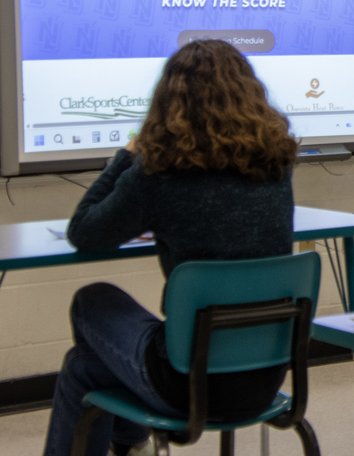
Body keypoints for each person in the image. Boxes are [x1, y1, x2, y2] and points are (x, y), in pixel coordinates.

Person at [42, 40, 299, 456]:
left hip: (187, 383)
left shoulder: (157, 171)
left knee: (92, 300)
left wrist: (126, 155)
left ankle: (130, 443)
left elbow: (84, 231)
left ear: (169, 100)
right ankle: (128, 445)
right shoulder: (276, 164)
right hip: (268, 376)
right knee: (83, 368)